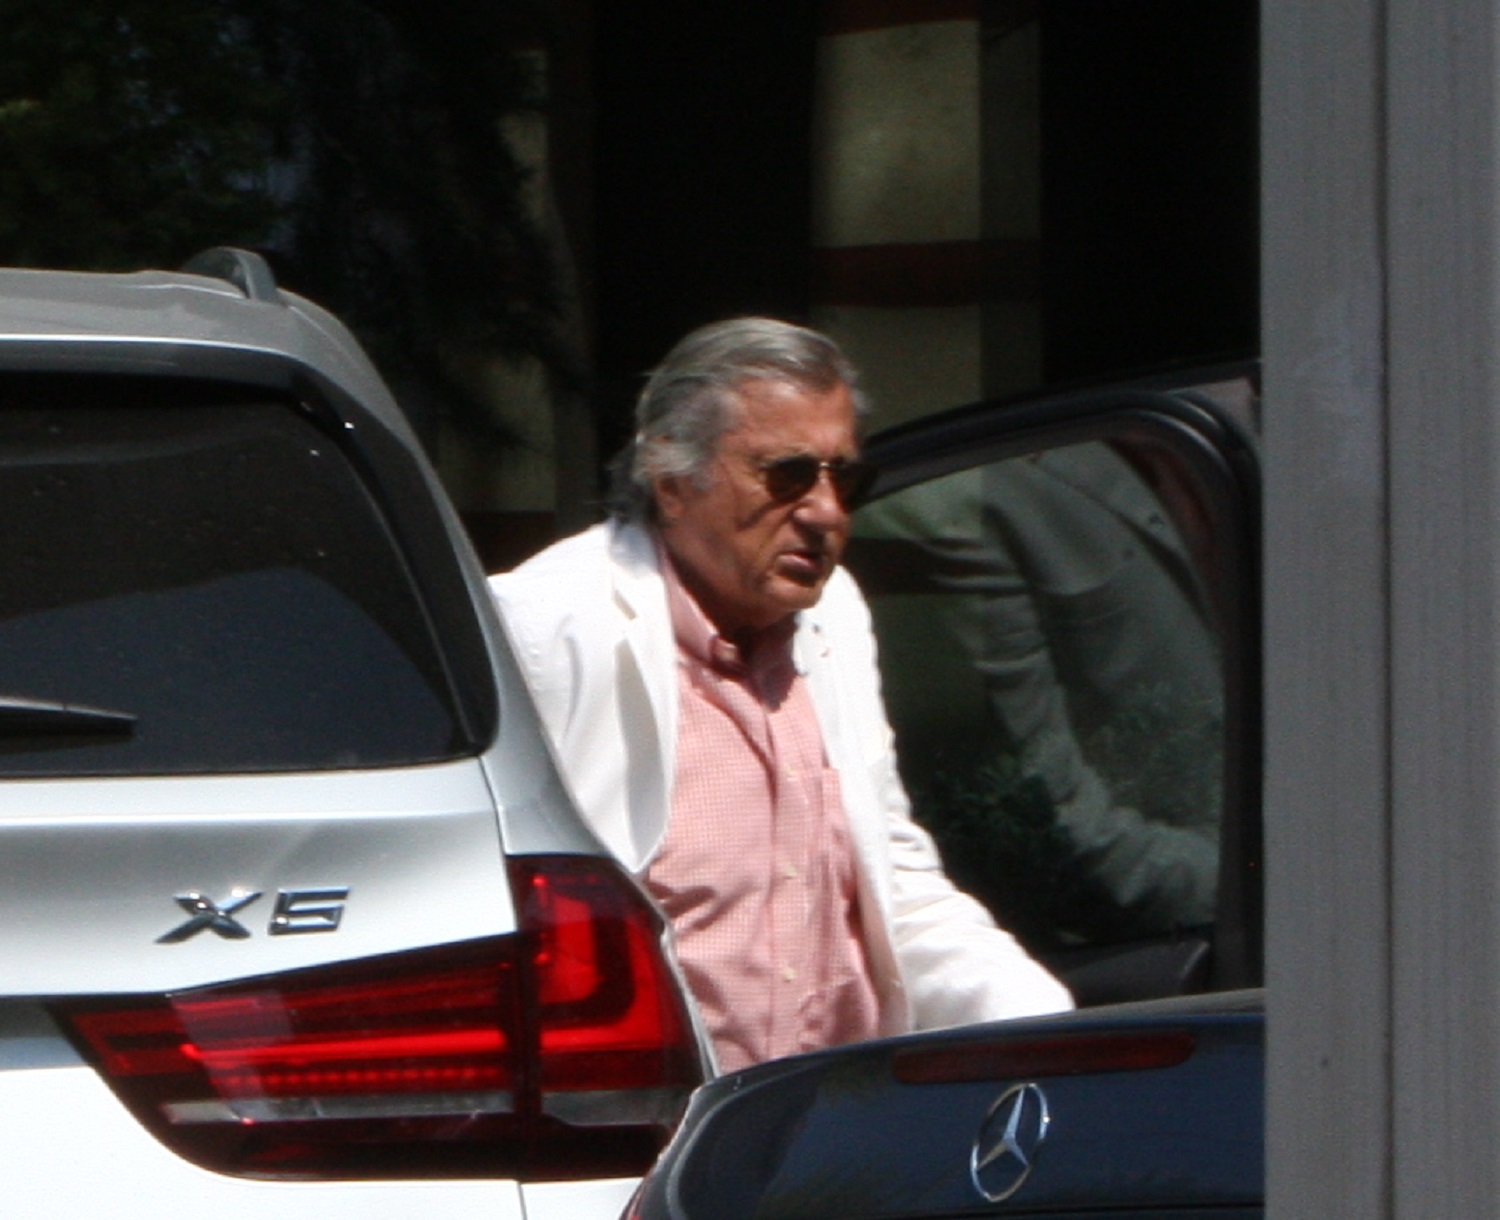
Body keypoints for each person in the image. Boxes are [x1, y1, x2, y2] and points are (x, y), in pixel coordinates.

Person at [489, 317, 1071, 1073]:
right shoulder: (549, 623)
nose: (828, 513)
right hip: (660, 1123)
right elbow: (510, 909)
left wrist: (1042, 1028)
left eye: (843, 479)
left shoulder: (835, 613)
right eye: (787, 475)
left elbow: (889, 878)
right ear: (673, 481)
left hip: (835, 1116)